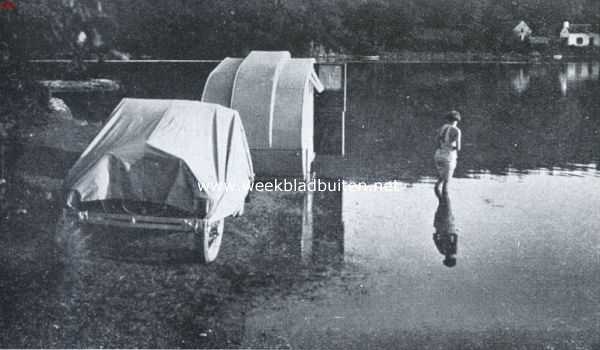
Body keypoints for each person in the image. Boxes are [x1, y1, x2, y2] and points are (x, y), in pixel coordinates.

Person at [434, 110, 462, 196]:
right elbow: (458, 148)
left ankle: (440, 202)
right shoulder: (457, 131)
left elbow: (436, 140)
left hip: (438, 155)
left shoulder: (444, 127)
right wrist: (450, 147)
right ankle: (445, 205)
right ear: (457, 120)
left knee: (440, 180)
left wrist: (442, 146)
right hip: (449, 157)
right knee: (446, 186)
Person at [433, 190, 458, 267]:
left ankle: (444, 180)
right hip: (440, 227)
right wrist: (437, 233)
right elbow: (435, 239)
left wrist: (452, 231)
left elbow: (455, 237)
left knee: (444, 201)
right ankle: (442, 181)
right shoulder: (442, 251)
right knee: (442, 201)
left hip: (446, 226)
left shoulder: (452, 250)